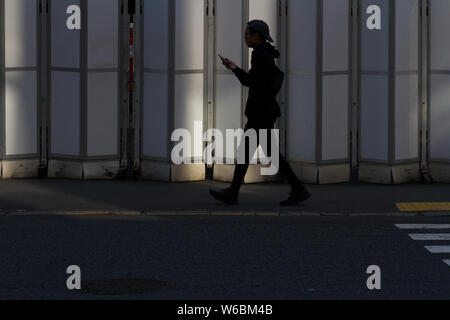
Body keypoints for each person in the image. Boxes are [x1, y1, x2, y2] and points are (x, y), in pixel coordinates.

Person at [209, 19, 310, 206]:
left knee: (252, 153)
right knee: (252, 153)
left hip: (260, 114)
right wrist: (235, 68)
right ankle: (296, 189)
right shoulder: (264, 53)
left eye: (247, 33)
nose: (245, 36)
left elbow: (252, 83)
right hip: (263, 113)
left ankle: (297, 189)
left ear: (257, 36)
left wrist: (237, 71)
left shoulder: (260, 55)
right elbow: (254, 81)